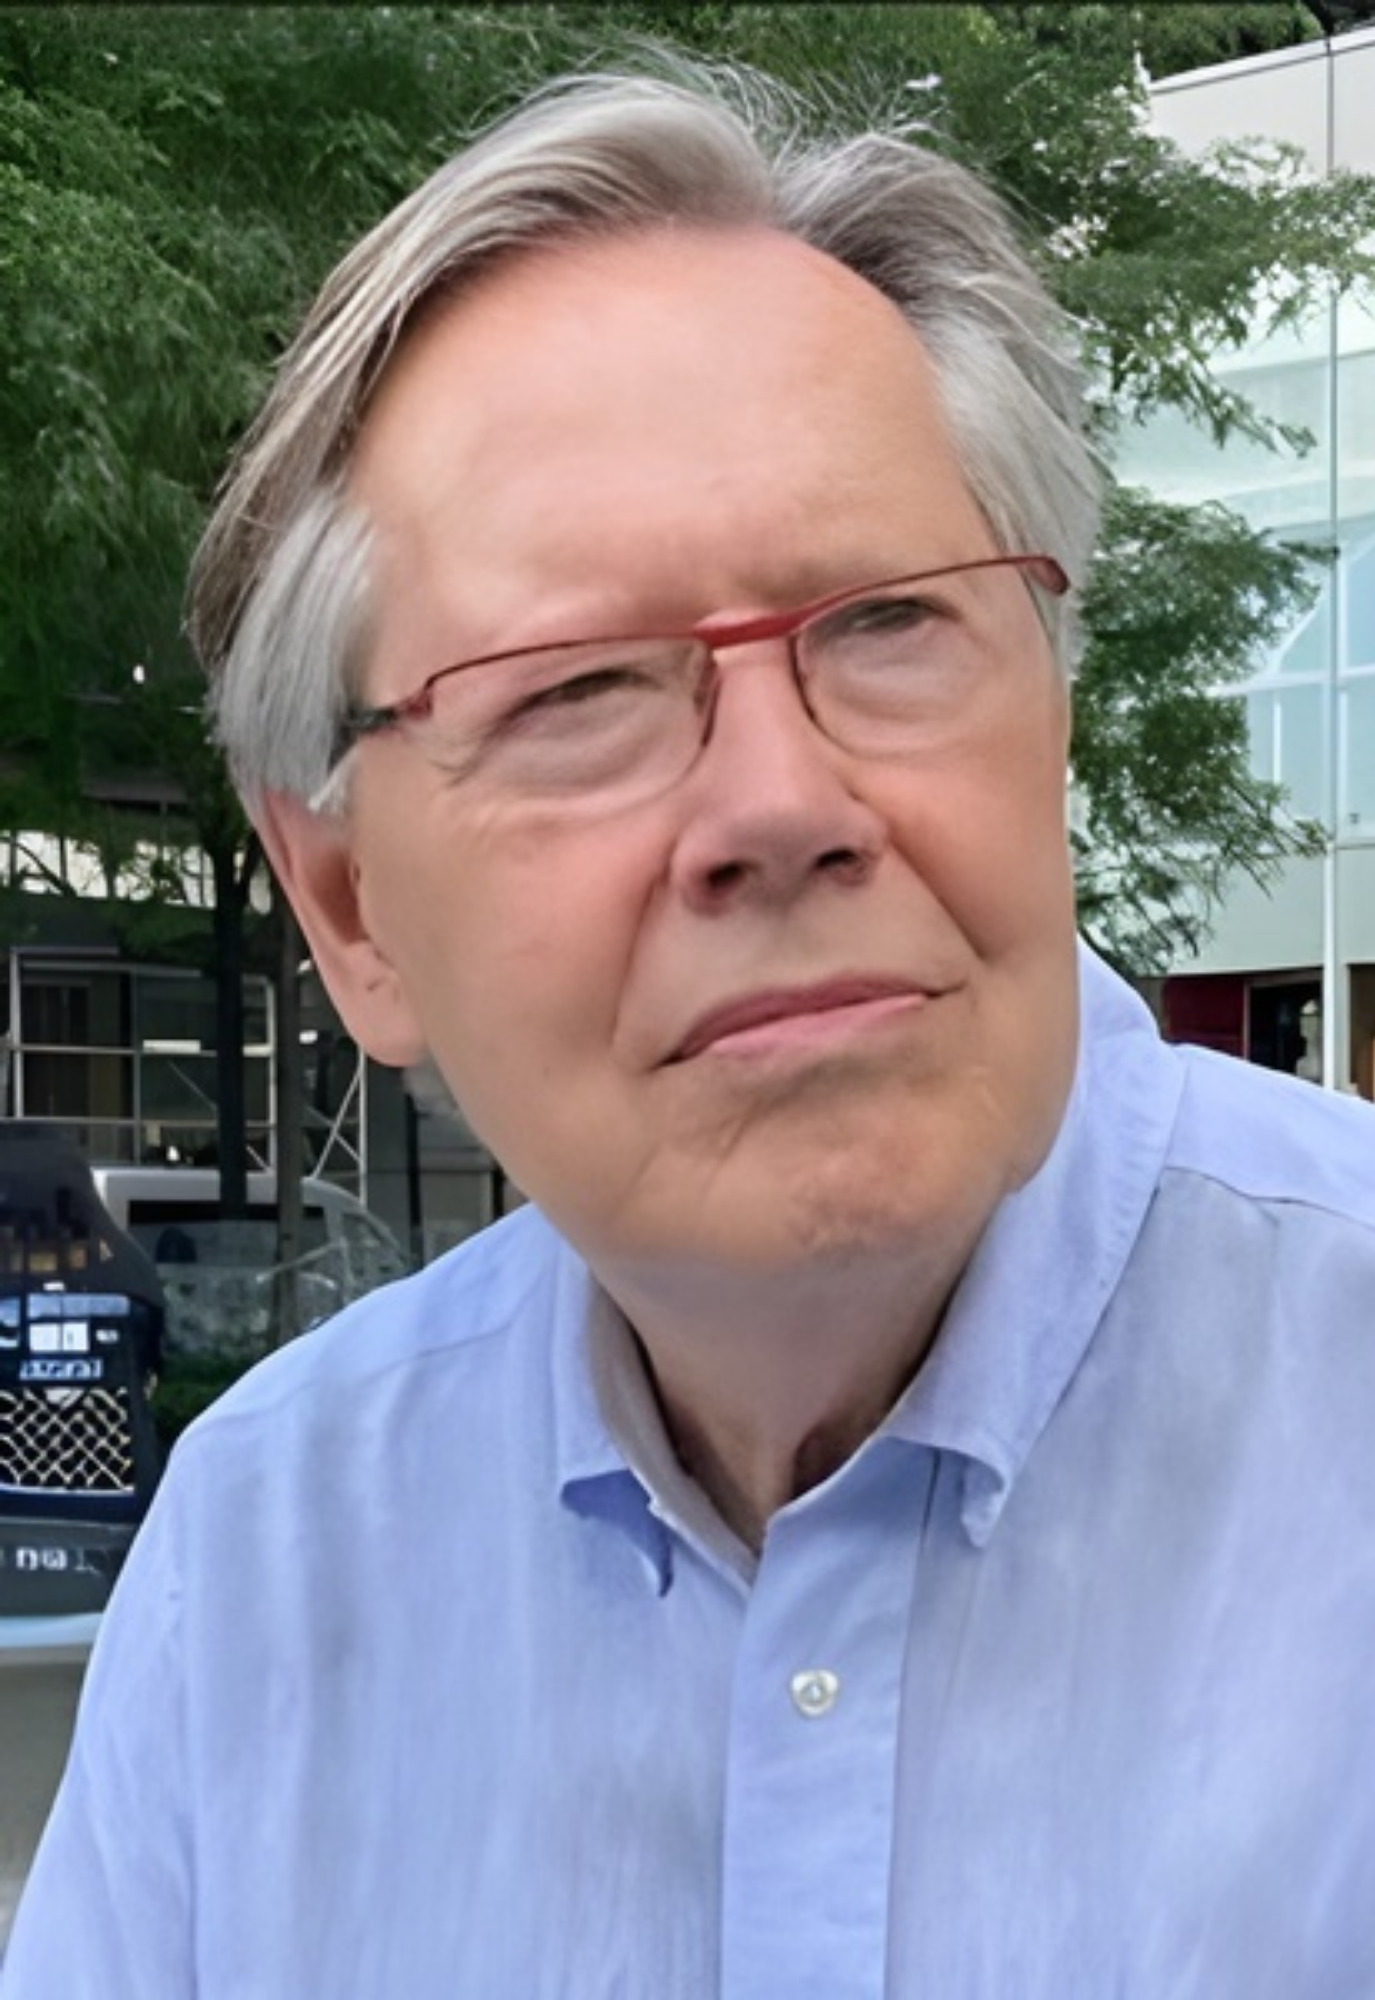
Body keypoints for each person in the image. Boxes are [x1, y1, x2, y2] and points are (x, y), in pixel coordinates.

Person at [6, 58, 1375, 1999]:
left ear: (1051, 715)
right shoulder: (261, 1564)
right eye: (576, 690)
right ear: (348, 907)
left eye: (889, 623)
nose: (780, 805)